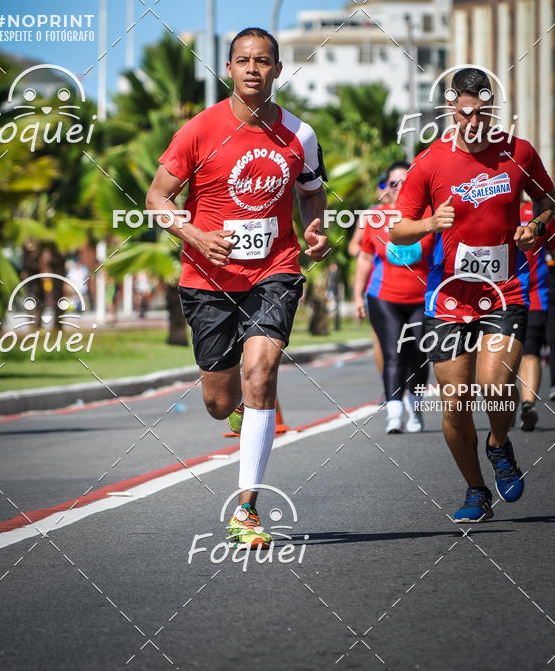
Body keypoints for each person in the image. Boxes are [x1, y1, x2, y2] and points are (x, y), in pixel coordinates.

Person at [146, 27, 329, 547]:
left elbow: (311, 191)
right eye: (243, 60)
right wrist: (194, 235)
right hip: (208, 279)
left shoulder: (300, 134)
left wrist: (315, 229)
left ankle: (246, 509)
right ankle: (241, 410)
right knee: (218, 400)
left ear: (277, 70)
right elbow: (157, 198)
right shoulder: (199, 131)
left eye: (263, 61)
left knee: (261, 371)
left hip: (275, 269)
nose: (253, 68)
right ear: (228, 69)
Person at [390, 65, 555, 522]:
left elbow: (548, 201)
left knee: (496, 385)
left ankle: (498, 444)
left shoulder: (518, 152)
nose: (474, 121)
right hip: (447, 298)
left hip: (505, 291)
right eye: (465, 113)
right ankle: (476, 490)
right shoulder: (430, 162)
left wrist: (536, 228)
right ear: (451, 109)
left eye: (482, 112)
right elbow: (398, 230)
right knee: (456, 404)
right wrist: (429, 223)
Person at [353, 162, 434, 433]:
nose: (398, 188)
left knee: (419, 353)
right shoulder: (375, 218)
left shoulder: (429, 216)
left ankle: (415, 407)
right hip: (384, 297)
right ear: (386, 187)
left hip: (422, 298)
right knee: (394, 353)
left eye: (404, 182)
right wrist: (357, 296)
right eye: (393, 183)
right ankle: (394, 413)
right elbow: (365, 258)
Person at [516, 198, 555, 429]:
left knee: (530, 349)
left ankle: (528, 405)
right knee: (506, 354)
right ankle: (511, 403)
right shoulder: (488, 208)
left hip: (533, 294)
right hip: (494, 295)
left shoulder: (542, 215)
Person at [348, 174, 387, 381]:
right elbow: (353, 245)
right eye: (382, 184)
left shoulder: (412, 211)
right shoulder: (369, 215)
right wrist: (368, 255)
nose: (386, 188)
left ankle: (408, 386)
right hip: (376, 283)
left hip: (408, 286)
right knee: (380, 337)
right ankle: (388, 386)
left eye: (392, 184)